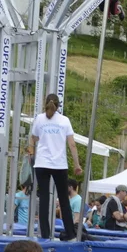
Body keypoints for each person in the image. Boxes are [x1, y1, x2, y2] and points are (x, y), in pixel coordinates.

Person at [28, 93, 82, 241]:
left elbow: (34, 138)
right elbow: (72, 144)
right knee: (64, 199)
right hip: (59, 164)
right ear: (58, 106)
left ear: (45, 104)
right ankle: (70, 233)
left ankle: (45, 234)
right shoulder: (64, 120)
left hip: (42, 163)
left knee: (44, 198)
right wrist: (76, 164)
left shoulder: (39, 119)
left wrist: (31, 152)